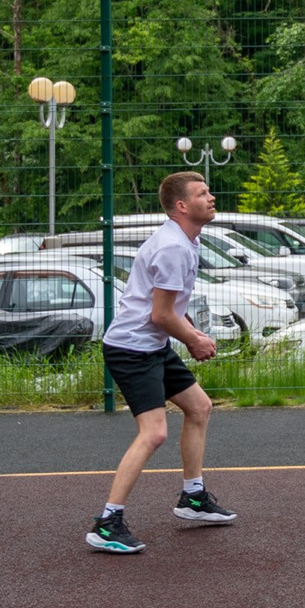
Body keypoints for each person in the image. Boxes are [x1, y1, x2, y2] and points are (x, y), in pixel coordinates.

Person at [86, 172, 233, 554]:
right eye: (202, 193)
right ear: (181, 206)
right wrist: (194, 340)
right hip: (132, 349)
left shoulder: (186, 240)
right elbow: (161, 315)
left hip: (151, 344)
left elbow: (168, 310)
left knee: (199, 407)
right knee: (153, 433)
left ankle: (193, 497)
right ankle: (107, 523)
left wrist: (191, 331)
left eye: (209, 191)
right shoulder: (173, 248)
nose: (211, 198)